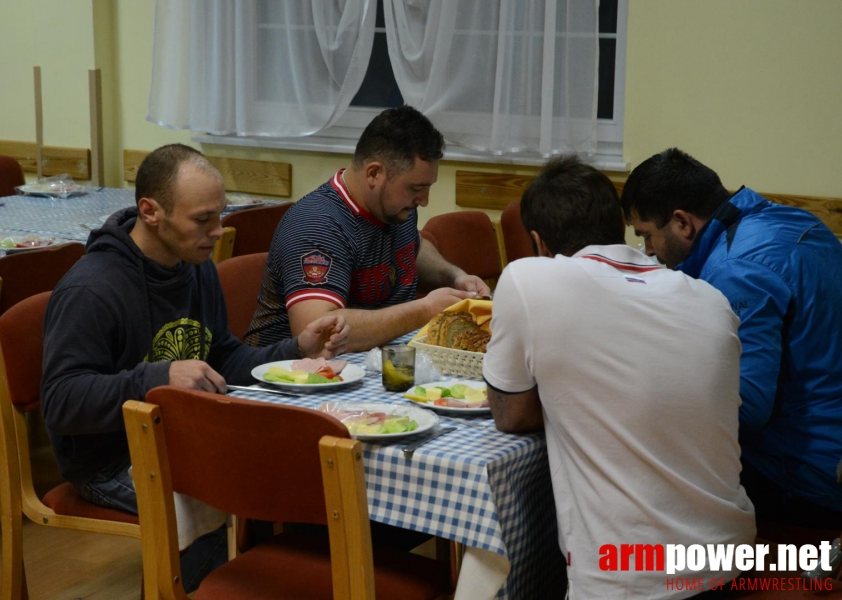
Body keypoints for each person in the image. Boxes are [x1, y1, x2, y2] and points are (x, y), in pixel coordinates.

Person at [41, 143, 349, 591]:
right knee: (227, 493)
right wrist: (160, 377)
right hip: (108, 460)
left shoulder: (194, 265)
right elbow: (61, 403)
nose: (219, 231)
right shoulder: (91, 290)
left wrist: (293, 350)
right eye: (203, 219)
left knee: (288, 472)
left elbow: (221, 355)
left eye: (219, 216)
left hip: (184, 435)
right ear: (150, 212)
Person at [483, 156, 755, 598]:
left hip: (630, 580)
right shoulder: (710, 299)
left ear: (537, 241)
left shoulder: (528, 280)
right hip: (731, 562)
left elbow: (510, 415)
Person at [620, 147, 842, 529]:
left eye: (647, 236)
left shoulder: (735, 270)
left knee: (638, 490)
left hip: (806, 481)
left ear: (682, 223)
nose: (650, 251)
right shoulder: (794, 221)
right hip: (831, 448)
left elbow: (748, 407)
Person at [243, 105, 491, 352]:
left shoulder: (395, 208)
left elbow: (412, 247)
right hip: (293, 376)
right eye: (415, 189)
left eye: (428, 187)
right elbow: (319, 332)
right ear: (374, 173)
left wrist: (454, 277)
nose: (424, 200)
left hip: (376, 360)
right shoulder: (317, 225)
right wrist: (423, 310)